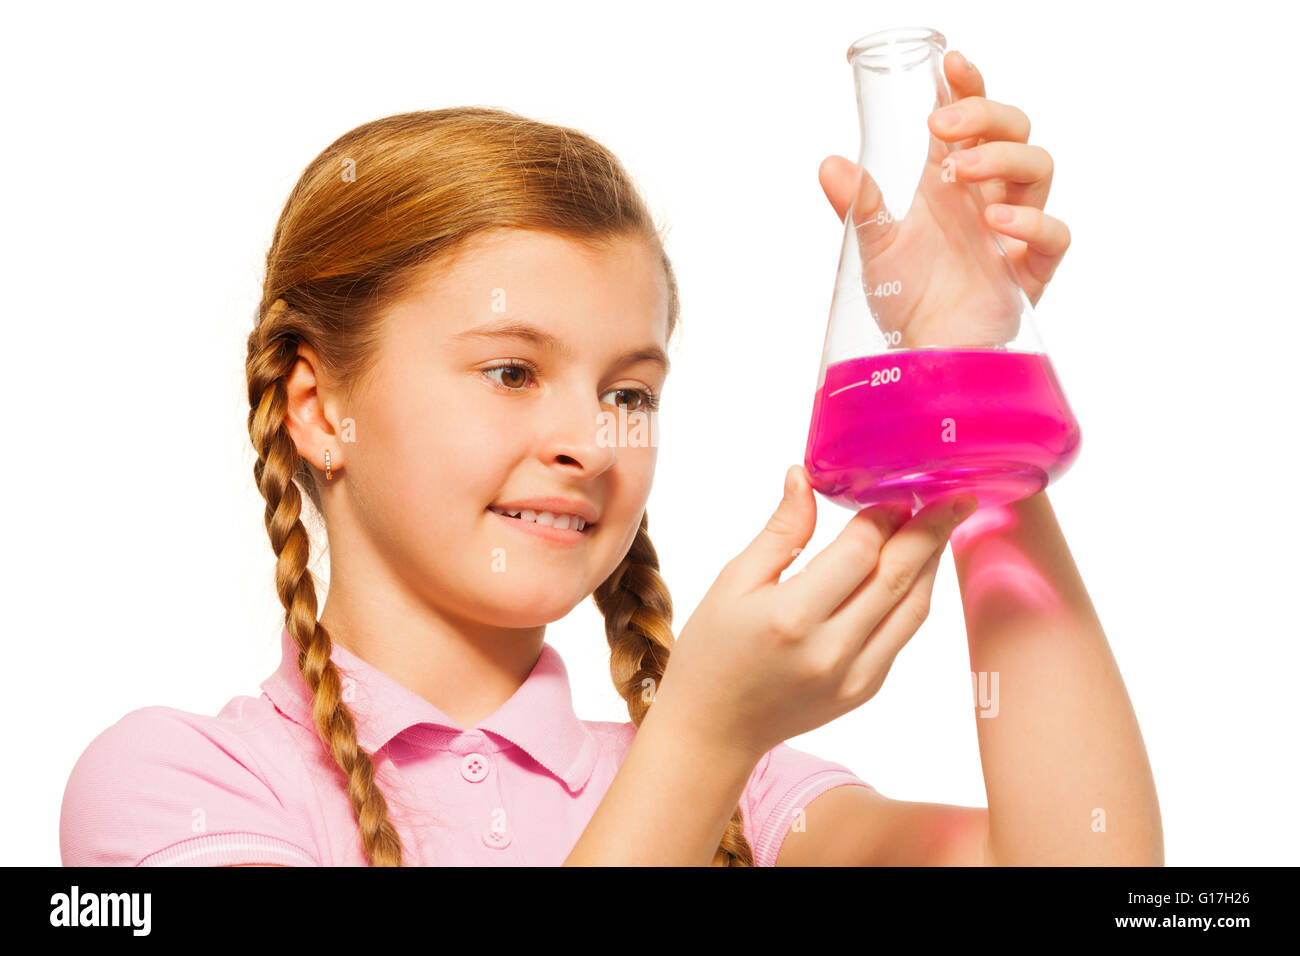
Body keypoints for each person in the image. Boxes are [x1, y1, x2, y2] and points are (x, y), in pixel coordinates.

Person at [59, 51, 1160, 866]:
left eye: (627, 390)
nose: (591, 441)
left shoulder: (754, 792)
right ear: (316, 404)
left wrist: (962, 388)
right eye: (510, 372)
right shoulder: (178, 786)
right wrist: (697, 742)